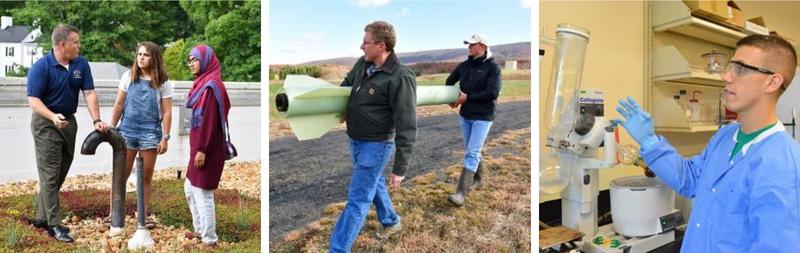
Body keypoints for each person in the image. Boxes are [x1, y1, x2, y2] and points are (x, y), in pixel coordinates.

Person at [614, 34, 800, 252]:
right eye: (730, 67)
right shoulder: (726, 135)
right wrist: (649, 141)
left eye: (740, 69)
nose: (726, 76)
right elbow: (692, 179)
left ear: (772, 82)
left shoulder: (781, 163)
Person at [329, 21, 417, 252]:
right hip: (355, 139)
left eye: (366, 42)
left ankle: (338, 249)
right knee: (373, 182)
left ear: (381, 45)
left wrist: (400, 168)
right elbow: (346, 86)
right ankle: (391, 221)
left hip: (377, 145)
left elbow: (407, 125)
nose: (361, 46)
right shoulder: (363, 64)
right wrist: (339, 109)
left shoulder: (401, 77)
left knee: (358, 199)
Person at [26, 24, 110, 242]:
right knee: (50, 174)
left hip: (68, 123)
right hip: (46, 123)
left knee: (60, 170)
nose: (79, 46)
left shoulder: (80, 64)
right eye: (76, 42)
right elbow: (33, 100)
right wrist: (53, 116)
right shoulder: (41, 67)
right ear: (62, 45)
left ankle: (42, 218)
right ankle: (54, 226)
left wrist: (96, 120)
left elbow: (89, 92)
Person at [109, 41, 174, 229]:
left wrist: (165, 137)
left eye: (145, 55)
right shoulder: (128, 76)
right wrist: (113, 128)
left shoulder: (163, 82)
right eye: (139, 54)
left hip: (150, 132)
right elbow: (119, 104)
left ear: (154, 58)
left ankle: (142, 217)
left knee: (145, 176)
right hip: (127, 130)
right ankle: (114, 214)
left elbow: (167, 112)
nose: (141, 58)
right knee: (121, 174)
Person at [445, 34, 501, 206]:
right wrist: (451, 98)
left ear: (482, 47)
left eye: (472, 45)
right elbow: (450, 81)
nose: (468, 47)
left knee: (472, 152)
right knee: (472, 149)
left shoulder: (493, 67)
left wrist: (467, 98)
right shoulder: (464, 65)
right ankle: (478, 179)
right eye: (468, 45)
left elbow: (493, 93)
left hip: (483, 117)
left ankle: (461, 193)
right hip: (465, 115)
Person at [183, 44, 231, 246]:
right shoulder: (202, 85)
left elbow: (209, 120)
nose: (191, 63)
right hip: (198, 147)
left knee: (203, 194)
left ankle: (210, 240)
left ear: (206, 61)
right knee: (190, 189)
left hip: (207, 148)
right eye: (190, 60)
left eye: (195, 59)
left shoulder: (211, 87)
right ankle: (200, 230)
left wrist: (202, 149)